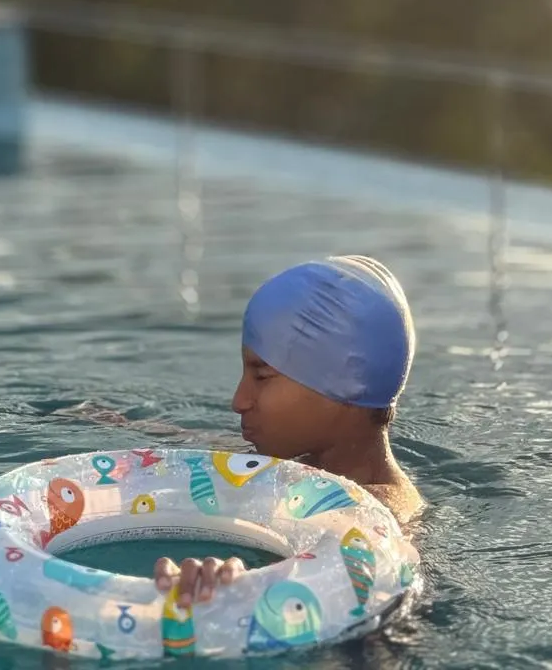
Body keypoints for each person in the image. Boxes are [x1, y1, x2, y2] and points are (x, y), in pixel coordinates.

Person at [153, 254, 423, 607]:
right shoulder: (310, 467)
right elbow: (212, 453)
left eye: (262, 376)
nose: (239, 400)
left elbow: (342, 568)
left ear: (342, 386)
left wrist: (232, 580)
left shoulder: (380, 511)